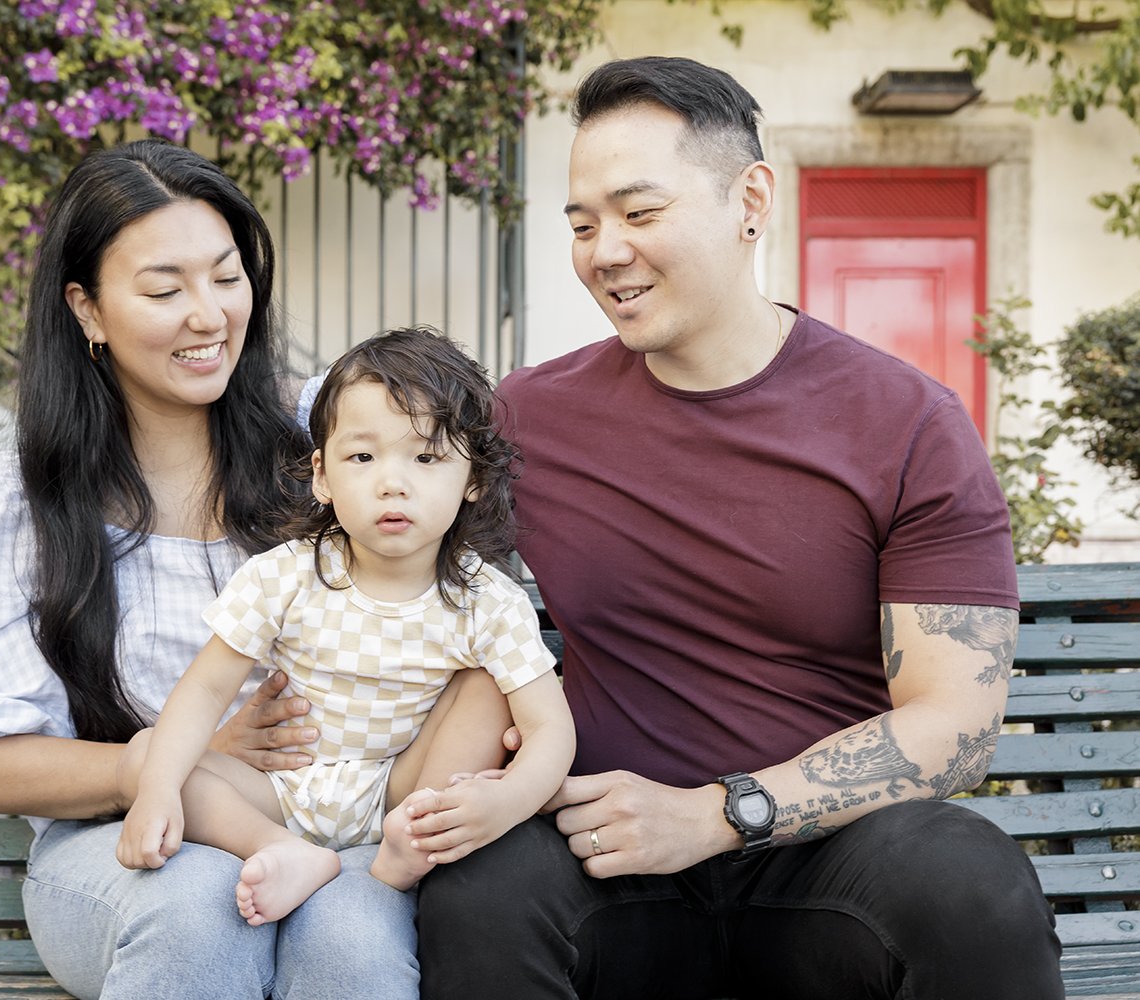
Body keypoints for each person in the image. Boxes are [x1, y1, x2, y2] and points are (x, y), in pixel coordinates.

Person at [416, 56, 1064, 999]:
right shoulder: (528, 420)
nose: (604, 250)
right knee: (479, 889)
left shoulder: (906, 422)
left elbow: (957, 727)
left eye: (640, 214)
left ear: (749, 199)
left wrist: (726, 811)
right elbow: (392, 542)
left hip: (827, 857)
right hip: (609, 849)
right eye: (583, 223)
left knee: (973, 884)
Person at [0, 139, 435, 1000]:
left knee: (351, 929)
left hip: (335, 831)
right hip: (123, 848)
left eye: (226, 277)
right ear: (88, 310)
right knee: (196, 901)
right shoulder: (14, 497)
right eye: (163, 289)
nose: (208, 314)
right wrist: (167, 759)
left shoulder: (330, 437)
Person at [117, 326, 576, 927]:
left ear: (474, 482)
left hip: (403, 790)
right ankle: (279, 850)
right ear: (323, 476)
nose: (392, 481)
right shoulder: (285, 576)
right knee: (143, 757)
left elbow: (550, 729)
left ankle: (404, 852)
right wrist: (156, 794)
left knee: (492, 686)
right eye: (362, 457)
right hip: (278, 791)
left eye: (426, 457)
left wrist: (507, 801)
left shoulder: (487, 599)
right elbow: (204, 690)